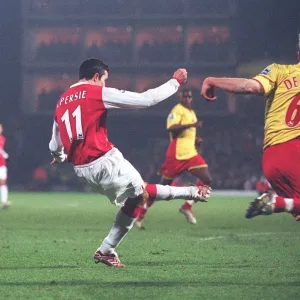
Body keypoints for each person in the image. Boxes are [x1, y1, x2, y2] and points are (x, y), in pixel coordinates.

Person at [49, 58, 211, 268]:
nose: (105, 84)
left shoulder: (62, 100)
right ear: (96, 76)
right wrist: (175, 82)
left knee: (136, 198)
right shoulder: (96, 91)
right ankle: (191, 193)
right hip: (103, 161)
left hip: (81, 170)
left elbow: (54, 143)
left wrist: (60, 156)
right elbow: (146, 100)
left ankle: (107, 250)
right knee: (142, 193)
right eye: (105, 79)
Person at [201, 38, 300, 220]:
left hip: (272, 157)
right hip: (294, 150)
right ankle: (275, 203)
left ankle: (278, 203)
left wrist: (213, 80)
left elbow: (250, 86)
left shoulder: (280, 71)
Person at [135, 89, 212, 229]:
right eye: (185, 96)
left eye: (190, 96)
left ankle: (187, 206)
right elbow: (172, 129)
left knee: (207, 180)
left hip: (190, 154)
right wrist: (192, 125)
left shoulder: (192, 113)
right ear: (180, 97)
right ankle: (139, 215)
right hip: (176, 155)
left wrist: (196, 142)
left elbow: (187, 136)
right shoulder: (177, 110)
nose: (188, 99)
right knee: (161, 189)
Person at [0, 124, 10, 209]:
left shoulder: (3, 139)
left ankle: (4, 201)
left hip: (2, 164)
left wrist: (4, 154)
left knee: (3, 182)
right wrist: (4, 154)